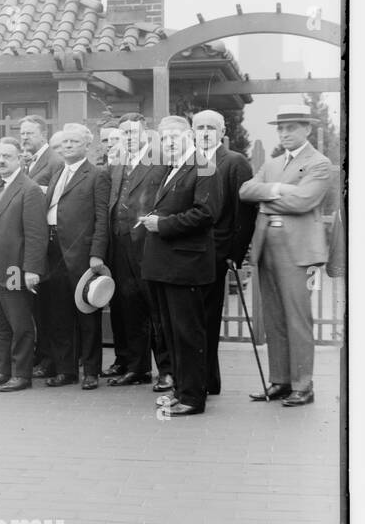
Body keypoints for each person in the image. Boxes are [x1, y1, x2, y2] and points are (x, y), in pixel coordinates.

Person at [238, 104, 334, 407]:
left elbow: (304, 201)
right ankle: (279, 381)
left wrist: (268, 197)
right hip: (268, 247)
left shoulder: (318, 163)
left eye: (291, 127)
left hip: (298, 252)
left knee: (297, 319)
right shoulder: (273, 163)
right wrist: (280, 190)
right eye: (281, 128)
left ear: (306, 128)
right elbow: (245, 191)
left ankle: (303, 385)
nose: (284, 133)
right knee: (275, 318)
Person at [141, 117, 216, 417]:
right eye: (164, 137)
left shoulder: (203, 167)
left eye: (175, 136)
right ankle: (181, 390)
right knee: (172, 333)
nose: (169, 142)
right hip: (165, 264)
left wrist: (163, 224)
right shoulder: (172, 169)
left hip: (185, 265)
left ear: (190, 137)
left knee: (187, 333)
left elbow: (205, 213)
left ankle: (193, 397)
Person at [35, 125, 110, 389]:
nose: (67, 146)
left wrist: (96, 254)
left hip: (80, 253)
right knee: (58, 313)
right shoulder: (57, 172)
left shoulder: (96, 175)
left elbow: (102, 218)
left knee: (86, 312)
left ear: (87, 146)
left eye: (74, 142)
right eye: (64, 142)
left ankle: (91, 371)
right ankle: (66, 370)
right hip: (53, 249)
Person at [0, 137, 47, 391]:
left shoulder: (29, 189)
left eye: (7, 156)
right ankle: (1, 369)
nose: (1, 160)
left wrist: (32, 270)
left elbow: (36, 234)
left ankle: (21, 374)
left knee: (19, 321)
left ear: (20, 159)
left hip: (13, 268)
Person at [104, 113, 171, 389]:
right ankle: (137, 367)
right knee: (128, 306)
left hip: (147, 244)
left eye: (133, 133)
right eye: (124, 135)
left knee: (156, 309)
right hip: (120, 242)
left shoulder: (160, 161)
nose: (129, 139)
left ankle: (167, 369)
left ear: (146, 133)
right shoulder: (118, 164)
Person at [193, 109, 257, 396]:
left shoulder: (234, 162)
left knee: (207, 318)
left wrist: (235, 252)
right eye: (199, 127)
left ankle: (208, 380)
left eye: (210, 127)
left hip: (216, 251)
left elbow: (243, 212)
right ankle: (196, 378)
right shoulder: (189, 162)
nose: (204, 132)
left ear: (221, 132)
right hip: (188, 252)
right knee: (191, 318)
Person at [19, 114, 58, 185]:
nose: (25, 137)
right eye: (22, 134)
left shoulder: (56, 162)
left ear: (43, 135)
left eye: (29, 133)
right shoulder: (22, 161)